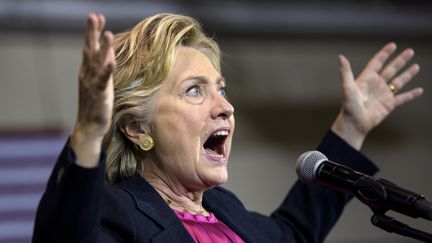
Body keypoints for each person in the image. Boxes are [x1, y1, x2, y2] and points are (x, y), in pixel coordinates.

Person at [32, 12, 423, 243]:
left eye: (221, 88)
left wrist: (351, 127)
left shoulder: (224, 210)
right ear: (137, 127)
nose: (226, 107)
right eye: (194, 91)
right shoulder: (114, 211)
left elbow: (294, 233)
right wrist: (88, 132)